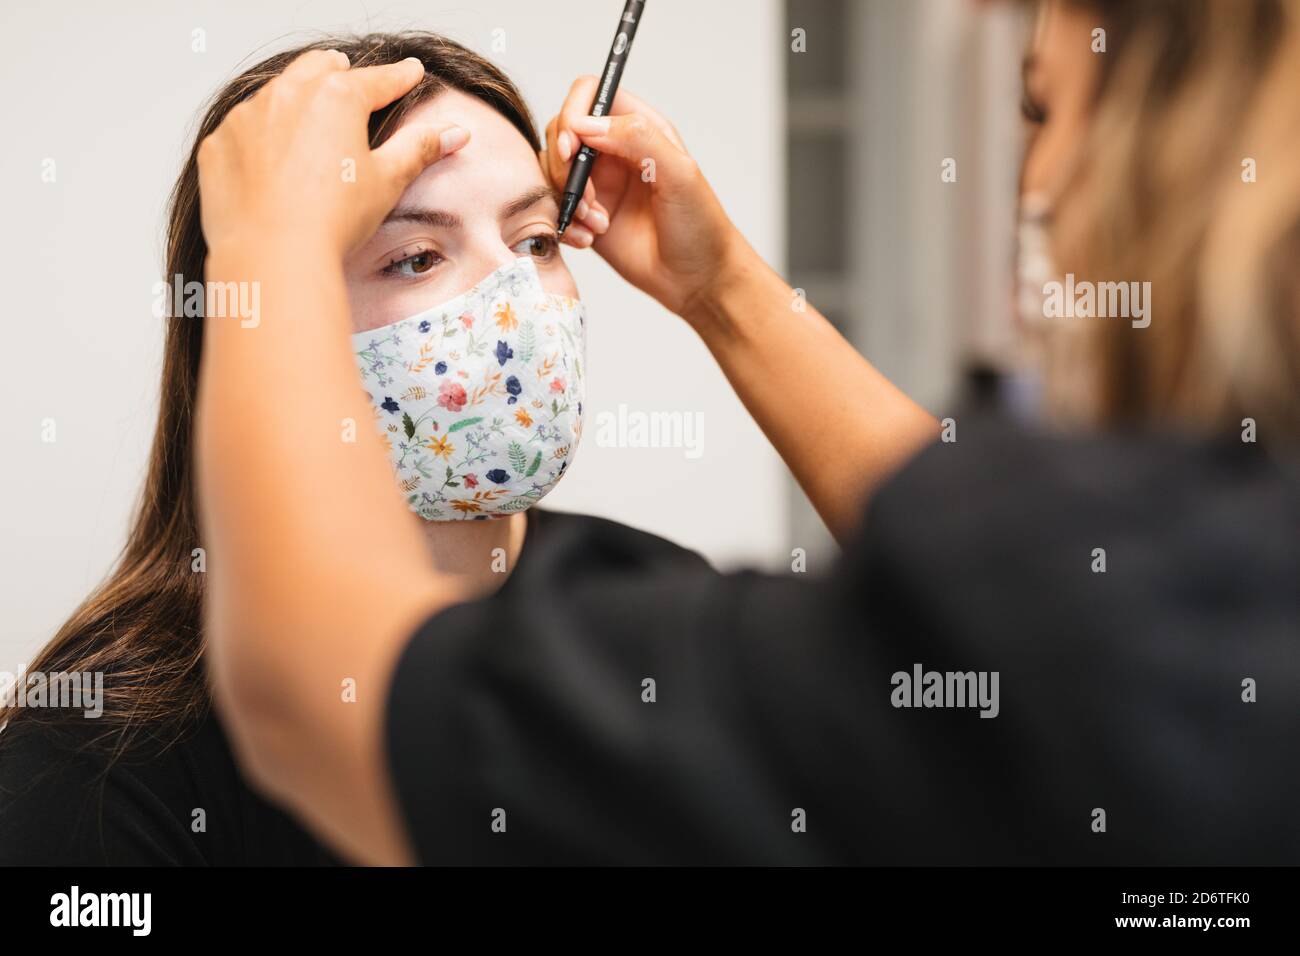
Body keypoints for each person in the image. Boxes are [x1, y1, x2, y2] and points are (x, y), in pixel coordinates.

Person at [195, 0, 1297, 866]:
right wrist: (721, 289)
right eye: (414, 255)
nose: (1035, 185)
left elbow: (319, 689)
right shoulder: (107, 774)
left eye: (1042, 110)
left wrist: (267, 248)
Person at [0, 33, 707, 866]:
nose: (511, 295)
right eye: (415, 257)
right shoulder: (100, 755)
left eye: (537, 241)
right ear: (266, 307)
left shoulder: (660, 606)